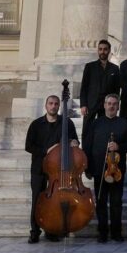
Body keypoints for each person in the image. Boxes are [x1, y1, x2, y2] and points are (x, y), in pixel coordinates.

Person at [25, 95, 79, 243]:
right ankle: (35, 231)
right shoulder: (36, 124)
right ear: (46, 105)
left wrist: (74, 142)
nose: (53, 106)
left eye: (56, 104)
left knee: (54, 202)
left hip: (58, 170)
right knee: (37, 200)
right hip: (39, 169)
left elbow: (75, 140)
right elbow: (28, 146)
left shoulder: (66, 123)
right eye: (51, 103)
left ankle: (51, 230)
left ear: (59, 106)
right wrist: (47, 150)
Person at [83, 94, 127, 243]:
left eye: (114, 104)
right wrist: (87, 168)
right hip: (99, 169)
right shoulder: (95, 123)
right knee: (101, 202)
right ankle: (102, 232)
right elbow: (88, 145)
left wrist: (119, 146)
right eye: (109, 103)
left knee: (116, 202)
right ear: (104, 105)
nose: (111, 106)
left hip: (117, 171)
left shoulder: (124, 124)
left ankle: (116, 233)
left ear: (118, 106)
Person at [79, 39, 120, 141]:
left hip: (107, 104)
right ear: (98, 50)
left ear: (109, 50)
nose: (102, 51)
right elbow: (84, 86)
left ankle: (102, 149)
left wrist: (115, 104)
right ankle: (86, 150)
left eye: (105, 49)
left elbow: (116, 89)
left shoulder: (115, 68)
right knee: (87, 130)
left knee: (105, 130)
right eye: (100, 49)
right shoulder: (90, 67)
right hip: (91, 103)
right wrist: (83, 104)